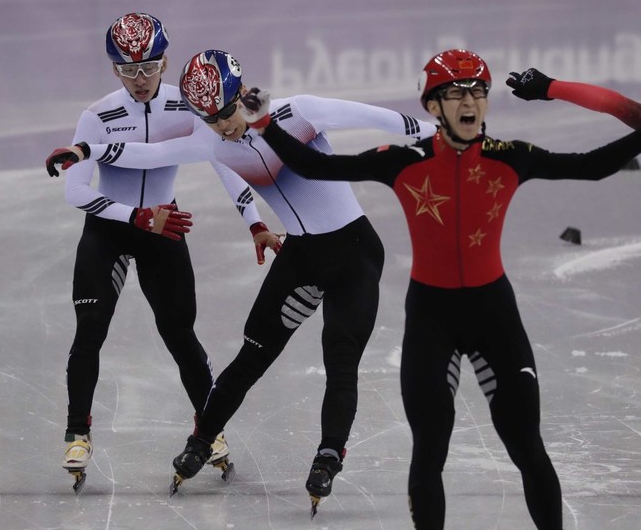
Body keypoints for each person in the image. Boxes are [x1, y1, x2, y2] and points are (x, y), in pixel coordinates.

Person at [237, 50, 641, 529]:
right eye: (455, 93)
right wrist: (265, 124)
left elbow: (592, 166)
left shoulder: (510, 157)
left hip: (494, 316)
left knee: (527, 446)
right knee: (429, 453)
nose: (469, 101)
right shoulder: (403, 161)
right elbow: (320, 167)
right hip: (432, 320)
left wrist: (560, 91)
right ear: (434, 107)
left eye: (478, 92)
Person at [45, 49, 438, 510]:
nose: (225, 127)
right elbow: (149, 151)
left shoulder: (299, 113)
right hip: (299, 255)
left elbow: (386, 119)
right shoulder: (213, 141)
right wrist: (84, 150)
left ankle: (329, 456)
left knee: (341, 355)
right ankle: (202, 440)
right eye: (210, 120)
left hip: (354, 253)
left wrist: (442, 139)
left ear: (242, 93)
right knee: (251, 354)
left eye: (228, 113)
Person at [52, 15, 278, 492]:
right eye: (128, 70)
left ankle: (207, 427)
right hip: (111, 228)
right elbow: (74, 191)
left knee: (180, 336)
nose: (140, 79)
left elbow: (226, 161)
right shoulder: (96, 115)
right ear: (113, 69)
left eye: (150, 66)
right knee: (90, 330)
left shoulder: (191, 106)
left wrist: (254, 221)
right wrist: (133, 216)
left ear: (166, 61)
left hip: (163, 227)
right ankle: (77, 432)